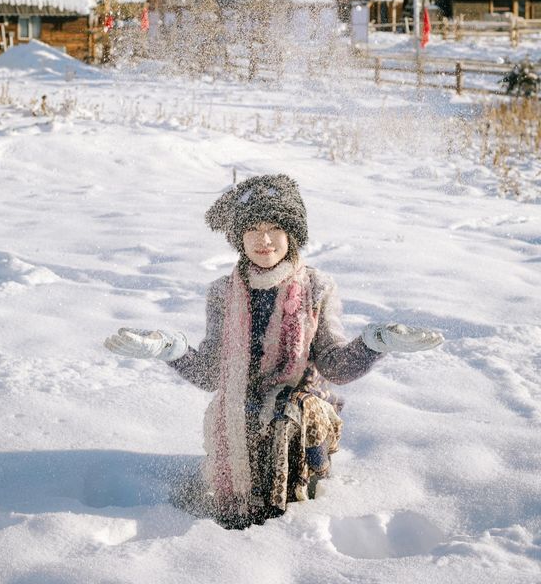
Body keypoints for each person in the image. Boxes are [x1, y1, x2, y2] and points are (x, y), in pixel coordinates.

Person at [104, 174, 443, 529]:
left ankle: (290, 520)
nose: (264, 241)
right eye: (252, 229)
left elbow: (334, 365)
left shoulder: (316, 286)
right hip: (242, 411)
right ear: (239, 238)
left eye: (274, 228)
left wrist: (374, 344)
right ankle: (235, 513)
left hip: (300, 415)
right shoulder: (223, 293)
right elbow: (211, 373)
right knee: (244, 410)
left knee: (285, 414)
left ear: (291, 233)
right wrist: (168, 349)